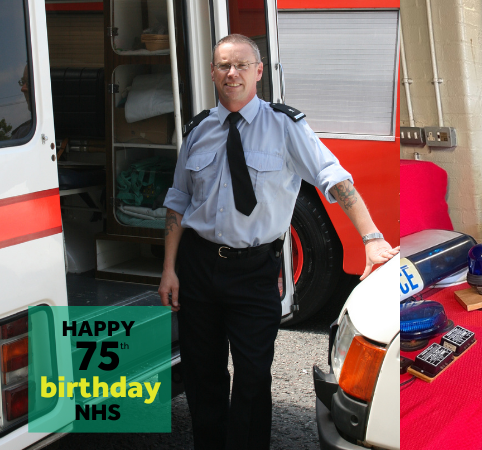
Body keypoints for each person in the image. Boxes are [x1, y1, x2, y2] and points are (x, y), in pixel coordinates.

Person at [158, 34, 398, 449]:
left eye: (241, 65)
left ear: (258, 71)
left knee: (253, 375)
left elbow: (334, 179)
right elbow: (178, 202)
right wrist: (168, 270)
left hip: (253, 270)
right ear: (212, 72)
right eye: (223, 65)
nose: (232, 73)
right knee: (203, 372)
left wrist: (372, 237)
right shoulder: (198, 130)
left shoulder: (285, 126)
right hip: (198, 267)